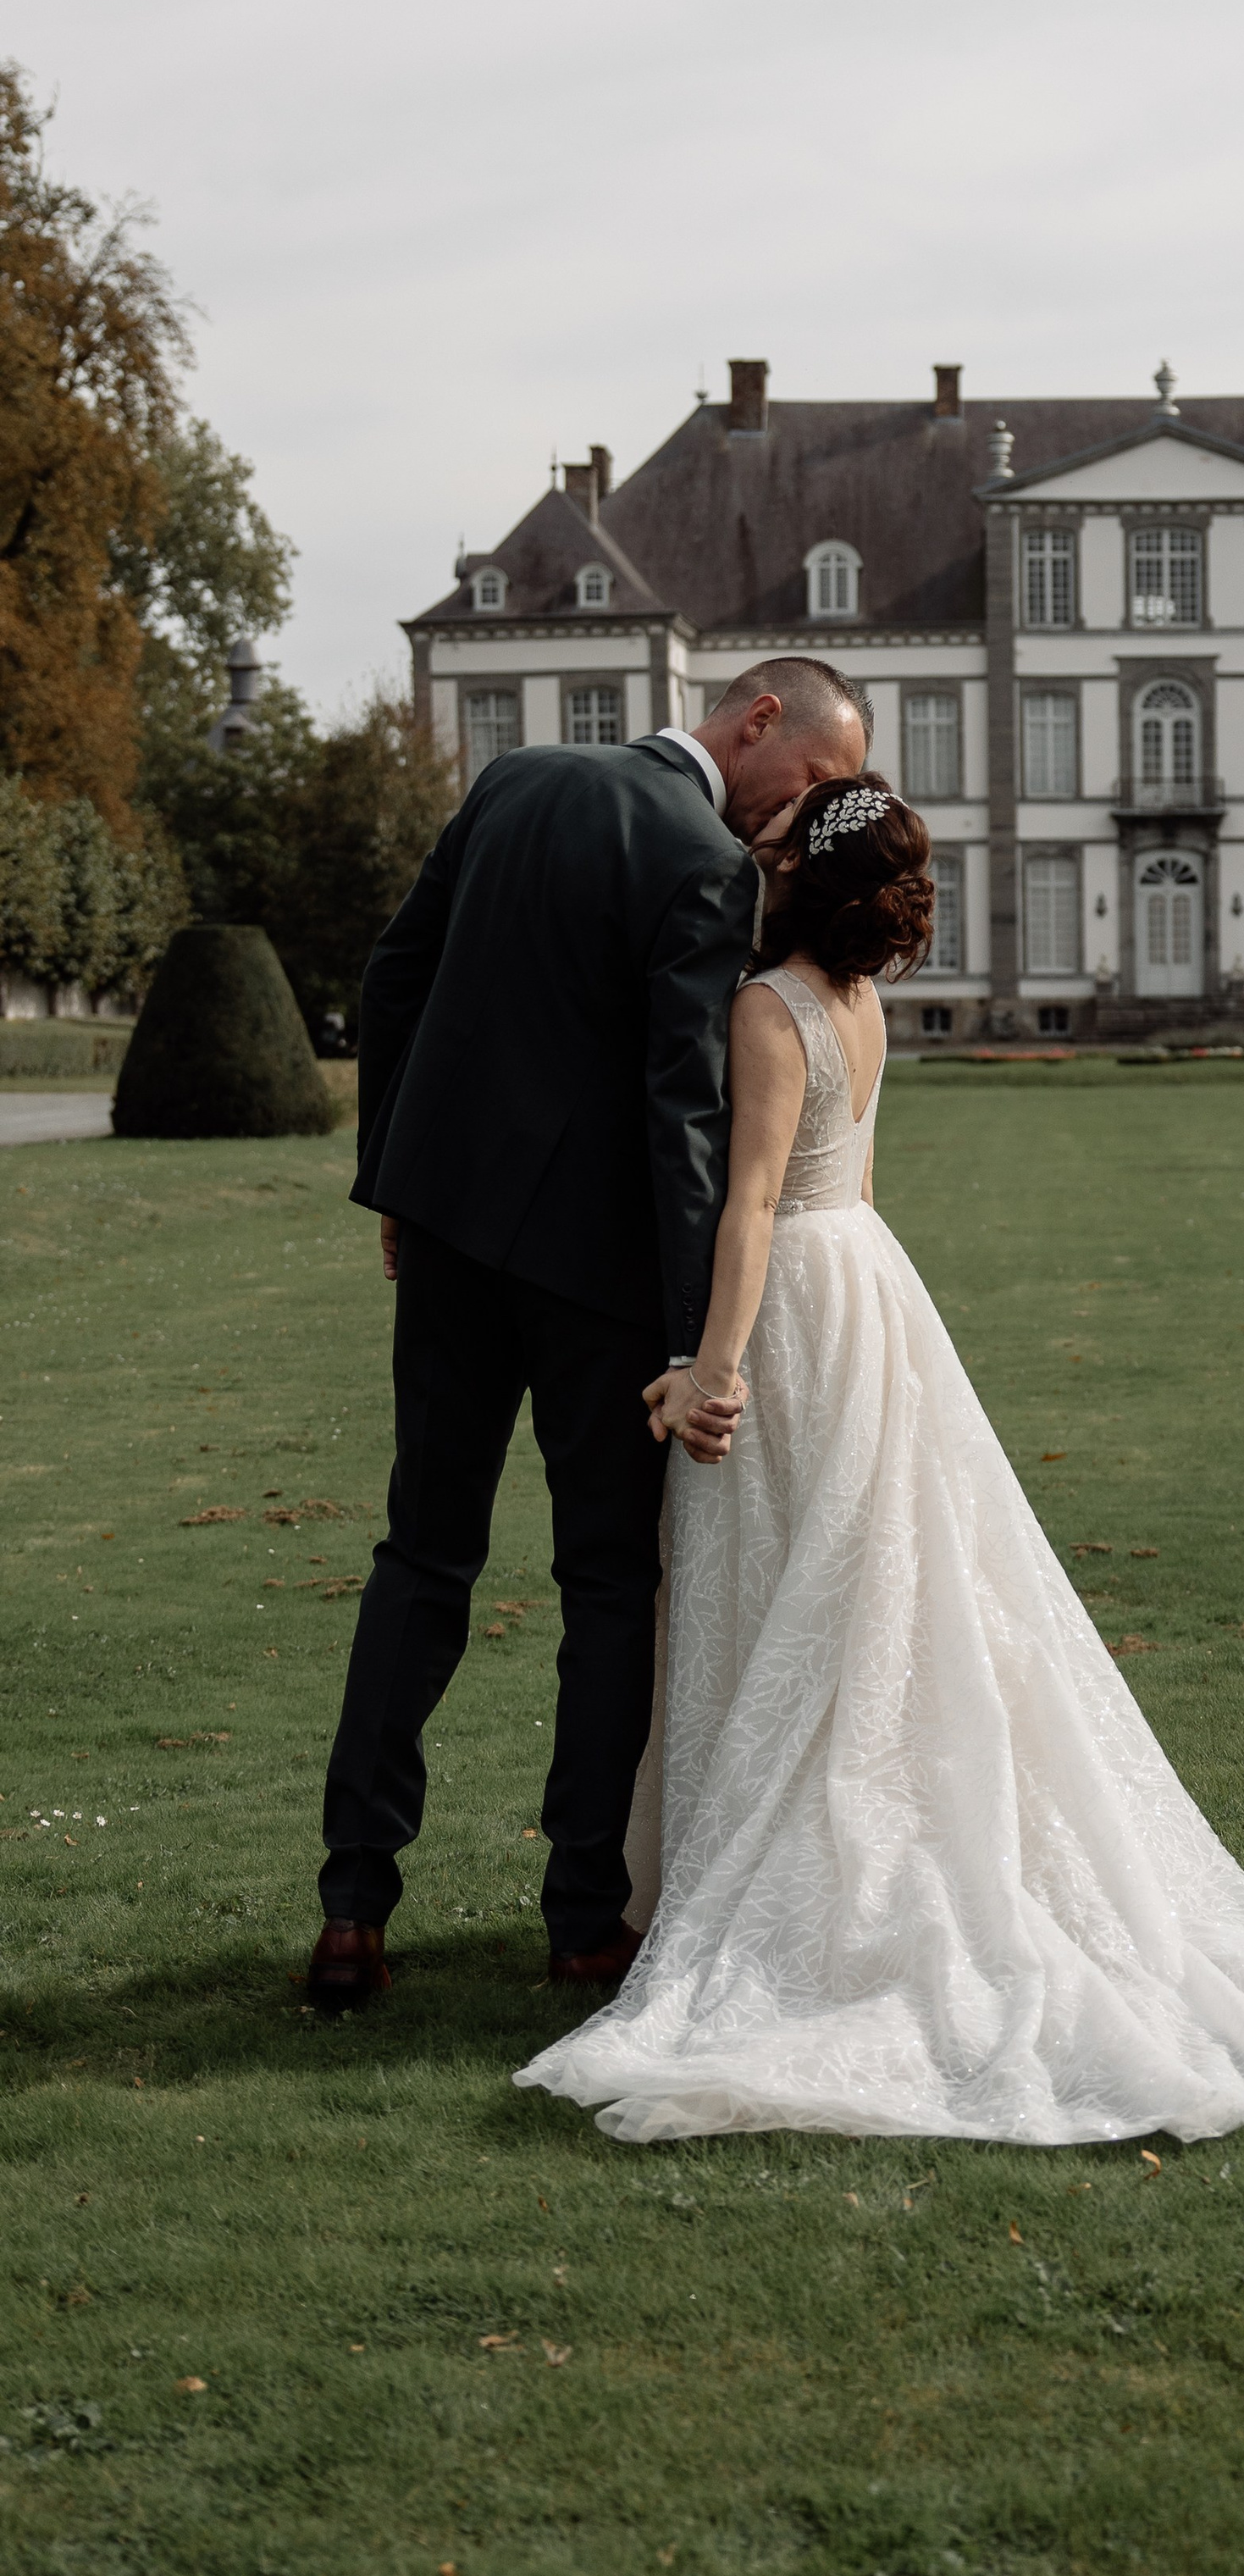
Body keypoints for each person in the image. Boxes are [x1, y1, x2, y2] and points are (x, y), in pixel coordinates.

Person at [518, 775, 1244, 2144]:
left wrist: (713, 1370)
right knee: (878, 1585)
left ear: (806, 876)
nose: (759, 852)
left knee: (802, 1584)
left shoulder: (766, 1006)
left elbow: (750, 1202)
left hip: (800, 1299)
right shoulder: (859, 1008)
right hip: (870, 1286)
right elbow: (854, 1187)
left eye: (779, 843)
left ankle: (804, 1886)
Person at [305, 659, 868, 2016]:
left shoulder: (515, 780)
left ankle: (351, 1907)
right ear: (755, 724)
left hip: (444, 1241)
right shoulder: (707, 863)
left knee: (419, 1556)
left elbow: (397, 975)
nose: (818, 812)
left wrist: (394, 1180)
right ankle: (579, 1923)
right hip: (594, 1283)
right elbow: (682, 1107)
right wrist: (695, 1348)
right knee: (608, 1587)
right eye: (822, 778)